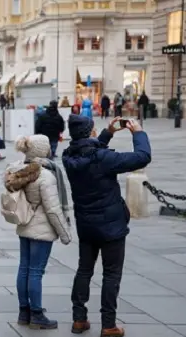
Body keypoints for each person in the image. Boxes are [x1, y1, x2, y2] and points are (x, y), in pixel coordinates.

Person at [62, 115, 151, 337]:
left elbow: (89, 152)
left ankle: (79, 319)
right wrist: (138, 132)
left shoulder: (68, 156)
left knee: (84, 270)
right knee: (111, 274)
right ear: (91, 132)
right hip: (111, 225)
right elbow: (142, 157)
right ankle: (108, 324)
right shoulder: (104, 158)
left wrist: (108, 133)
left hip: (86, 224)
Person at [3, 134, 72, 330]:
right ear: (43, 150)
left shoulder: (17, 170)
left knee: (24, 268)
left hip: (25, 225)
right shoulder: (45, 176)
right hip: (41, 229)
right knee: (36, 271)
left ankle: (23, 311)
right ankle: (37, 314)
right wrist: (65, 233)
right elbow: (52, 208)